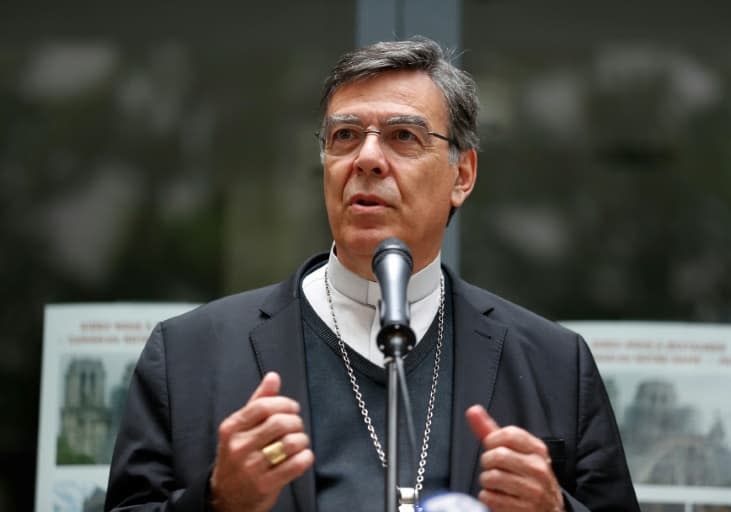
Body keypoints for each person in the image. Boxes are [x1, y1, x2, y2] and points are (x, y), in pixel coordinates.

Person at [105, 36, 639, 512]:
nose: (367, 158)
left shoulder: (554, 364)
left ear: (463, 174)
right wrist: (218, 500)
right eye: (344, 136)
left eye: (403, 136)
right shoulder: (189, 355)